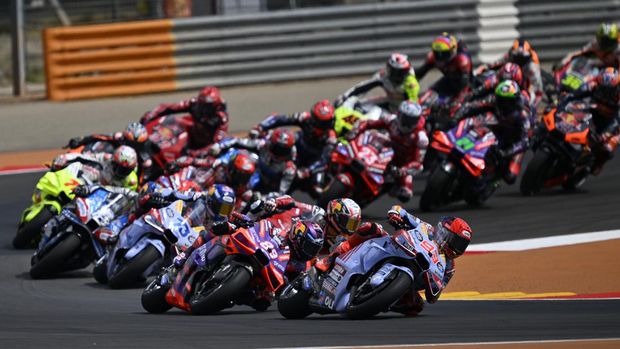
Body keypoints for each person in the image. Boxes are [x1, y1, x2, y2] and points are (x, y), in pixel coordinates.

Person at [386, 205, 473, 316]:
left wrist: (432, 281)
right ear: (444, 231)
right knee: (371, 228)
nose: (457, 248)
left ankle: (376, 303)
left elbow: (435, 294)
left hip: (410, 281)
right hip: (397, 250)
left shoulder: (449, 268)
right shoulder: (426, 227)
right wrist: (395, 214)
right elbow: (400, 210)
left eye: (461, 245)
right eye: (456, 241)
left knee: (416, 305)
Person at [347, 100, 428, 202]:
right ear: (399, 114)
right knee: (370, 137)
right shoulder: (391, 119)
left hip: (400, 164)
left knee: (406, 194)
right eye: (405, 118)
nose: (407, 123)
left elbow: (418, 163)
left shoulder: (421, 138)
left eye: (411, 120)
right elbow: (368, 123)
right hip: (384, 151)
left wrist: (403, 170)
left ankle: (374, 192)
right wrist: (355, 132)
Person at [454, 80, 531, 185]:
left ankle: (492, 182)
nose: (503, 104)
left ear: (515, 101)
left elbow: (525, 142)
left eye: (507, 101)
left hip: (514, 138)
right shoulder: (493, 99)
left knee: (510, 176)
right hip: (498, 128)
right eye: (501, 100)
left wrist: (506, 153)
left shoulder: (523, 113)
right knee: (478, 123)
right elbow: (472, 105)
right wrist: (456, 117)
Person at [556, 67, 620, 175]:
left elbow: (617, 119)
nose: (605, 91)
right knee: (572, 114)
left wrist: (607, 132)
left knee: (607, 147)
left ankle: (598, 163)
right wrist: (561, 104)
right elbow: (574, 95)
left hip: (612, 122)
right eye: (603, 88)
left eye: (609, 89)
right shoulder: (593, 85)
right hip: (594, 111)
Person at [209, 129, 297, 196]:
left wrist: (264, 198)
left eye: (283, 150)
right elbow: (238, 141)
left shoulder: (289, 168)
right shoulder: (263, 144)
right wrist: (219, 146)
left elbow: (281, 193)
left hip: (265, 191)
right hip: (254, 172)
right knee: (240, 153)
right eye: (277, 148)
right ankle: (217, 168)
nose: (279, 152)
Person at [65, 122, 161, 181]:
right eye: (129, 142)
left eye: (136, 144)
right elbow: (101, 136)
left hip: (124, 177)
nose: (131, 145)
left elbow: (143, 176)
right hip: (109, 161)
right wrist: (81, 140)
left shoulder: (145, 159)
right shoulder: (119, 137)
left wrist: (138, 187)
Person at [139, 86, 229, 150]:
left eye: (206, 105)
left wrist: (206, 151)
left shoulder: (221, 117)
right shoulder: (195, 103)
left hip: (204, 146)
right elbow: (169, 107)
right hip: (191, 135)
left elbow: (218, 140)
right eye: (201, 102)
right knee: (180, 121)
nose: (202, 107)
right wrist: (152, 114)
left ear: (214, 105)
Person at [170, 149, 259, 210]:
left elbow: (243, 204)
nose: (241, 180)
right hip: (196, 192)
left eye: (246, 177)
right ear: (231, 169)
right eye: (240, 175)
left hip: (210, 209)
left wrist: (255, 200)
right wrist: (178, 163)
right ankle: (175, 197)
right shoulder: (218, 167)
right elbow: (194, 161)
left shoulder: (244, 188)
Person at [314, 198, 388, 271]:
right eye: (347, 222)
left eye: (353, 224)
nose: (349, 228)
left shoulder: (345, 239)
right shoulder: (317, 216)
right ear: (335, 215)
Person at [336, 53, 420, 112]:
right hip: (390, 103)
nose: (397, 75)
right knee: (360, 105)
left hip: (403, 112)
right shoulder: (384, 75)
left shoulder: (411, 84)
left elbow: (412, 107)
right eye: (394, 71)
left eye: (400, 72)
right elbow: (363, 87)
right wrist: (345, 97)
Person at [475, 39, 544, 108]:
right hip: (513, 76)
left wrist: (530, 102)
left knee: (532, 96)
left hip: (527, 81)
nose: (519, 60)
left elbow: (537, 89)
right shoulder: (509, 56)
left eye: (522, 58)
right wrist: (485, 67)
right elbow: (497, 63)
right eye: (517, 57)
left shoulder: (532, 67)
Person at [417, 32, 473, 110]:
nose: (440, 58)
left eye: (444, 54)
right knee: (429, 94)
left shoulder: (462, 60)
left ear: (453, 50)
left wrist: (458, 102)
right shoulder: (432, 57)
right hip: (448, 81)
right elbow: (420, 73)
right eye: (437, 54)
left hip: (465, 85)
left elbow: (465, 84)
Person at [51, 145, 139, 191]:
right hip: (90, 185)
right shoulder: (107, 158)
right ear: (113, 161)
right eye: (119, 167)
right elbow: (84, 157)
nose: (122, 172)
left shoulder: (131, 181)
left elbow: (126, 200)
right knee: (92, 168)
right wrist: (65, 158)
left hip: (103, 203)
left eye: (126, 170)